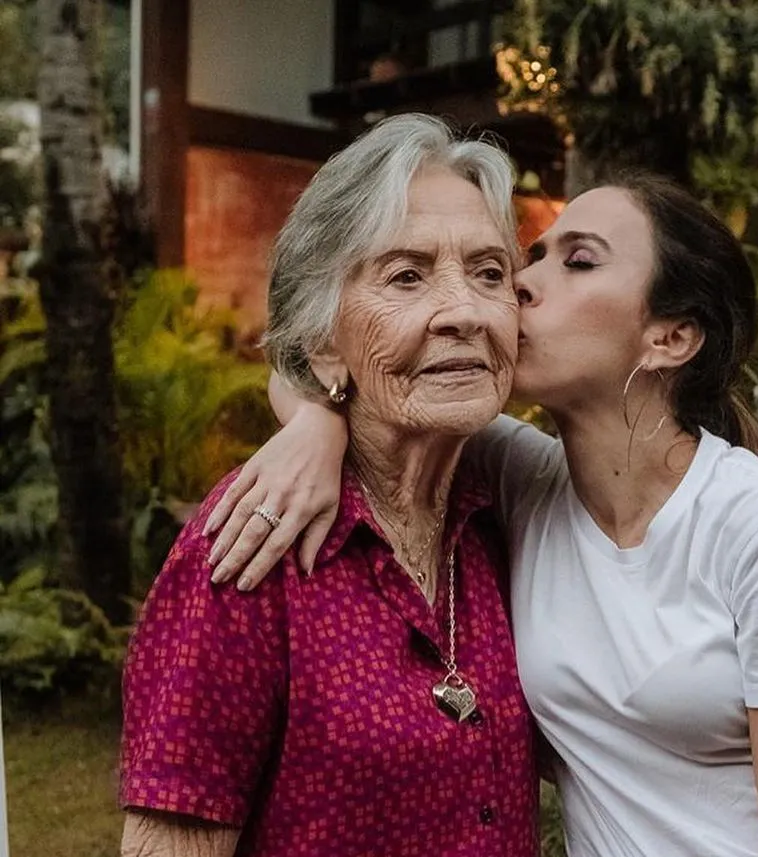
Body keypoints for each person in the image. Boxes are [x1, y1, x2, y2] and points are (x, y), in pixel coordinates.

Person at [204, 162, 758, 852]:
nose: (519, 285)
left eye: (579, 262)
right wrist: (315, 426)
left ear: (669, 337)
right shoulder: (519, 480)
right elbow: (335, 362)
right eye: (529, 258)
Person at [119, 114, 537, 856]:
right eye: (406, 275)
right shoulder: (252, 544)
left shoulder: (499, 514)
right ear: (322, 342)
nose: (467, 311)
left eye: (490, 272)